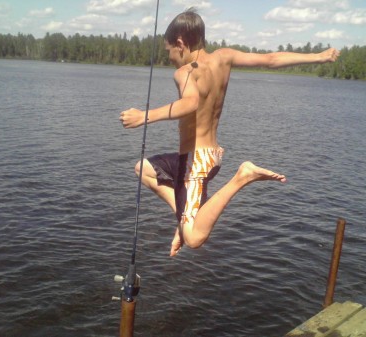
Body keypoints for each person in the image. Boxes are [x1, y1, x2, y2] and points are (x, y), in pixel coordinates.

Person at [120, 9, 340, 256]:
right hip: (205, 156)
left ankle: (242, 177)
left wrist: (144, 117)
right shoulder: (224, 57)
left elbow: (191, 103)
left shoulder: (185, 72)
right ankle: (185, 218)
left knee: (193, 240)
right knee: (143, 170)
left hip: (196, 162)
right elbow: (271, 59)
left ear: (180, 44)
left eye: (169, 51)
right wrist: (318, 56)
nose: (170, 58)